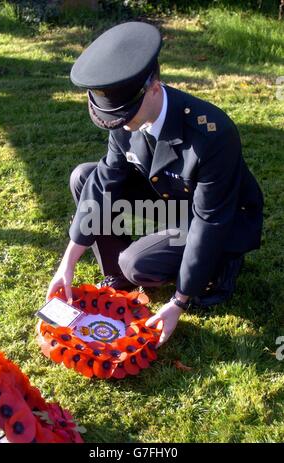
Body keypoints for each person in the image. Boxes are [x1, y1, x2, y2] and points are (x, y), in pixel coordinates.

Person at [46, 22, 264, 347]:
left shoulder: (212, 135)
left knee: (137, 263)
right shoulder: (123, 115)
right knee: (84, 176)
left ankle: (216, 274)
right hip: (171, 197)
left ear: (154, 87)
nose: (122, 128)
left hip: (219, 217)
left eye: (126, 117)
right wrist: (69, 262)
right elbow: (106, 178)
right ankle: (117, 279)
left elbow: (209, 222)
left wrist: (179, 301)